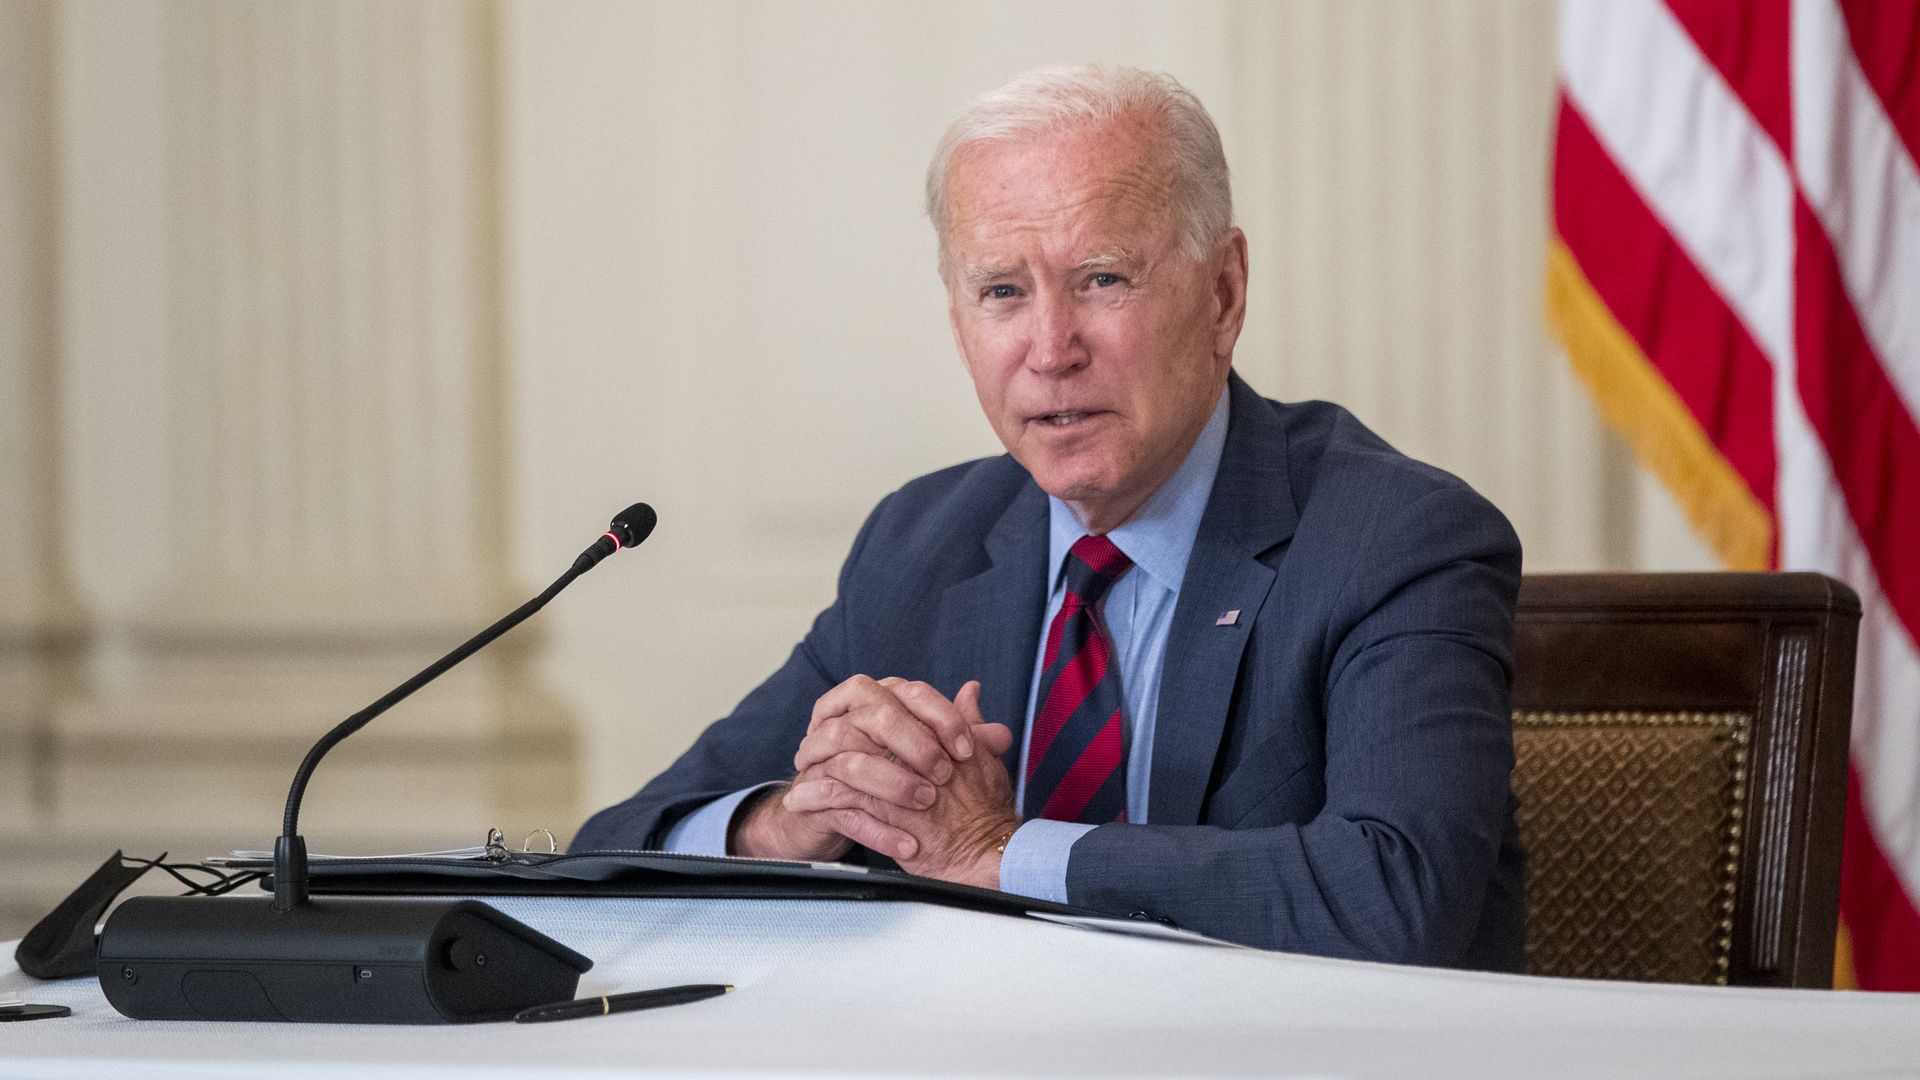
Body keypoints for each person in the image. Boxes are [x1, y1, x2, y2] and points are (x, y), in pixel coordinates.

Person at [573, 65, 1526, 970]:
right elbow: (606, 849)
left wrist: (1001, 852)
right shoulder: (923, 544)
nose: (1050, 349)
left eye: (1102, 278)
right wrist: (792, 821)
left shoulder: (1395, 537)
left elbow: (1400, 896)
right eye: (1002, 292)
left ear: (1223, 295)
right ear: (958, 326)